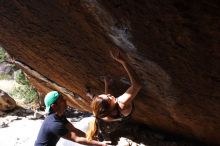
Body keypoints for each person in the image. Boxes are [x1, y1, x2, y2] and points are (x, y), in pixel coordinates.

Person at [86, 49, 142, 142]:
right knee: (104, 99)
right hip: (126, 110)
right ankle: (91, 95)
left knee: (97, 100)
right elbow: (137, 85)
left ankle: (90, 95)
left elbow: (105, 101)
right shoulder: (122, 102)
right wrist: (123, 62)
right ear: (110, 106)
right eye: (108, 97)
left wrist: (106, 84)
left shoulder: (103, 113)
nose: (108, 94)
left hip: (118, 115)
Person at [34, 91, 108, 146]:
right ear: (54, 106)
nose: (65, 100)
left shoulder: (60, 117)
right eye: (62, 100)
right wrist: (100, 144)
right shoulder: (54, 124)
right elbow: (77, 139)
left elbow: (74, 130)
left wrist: (91, 138)